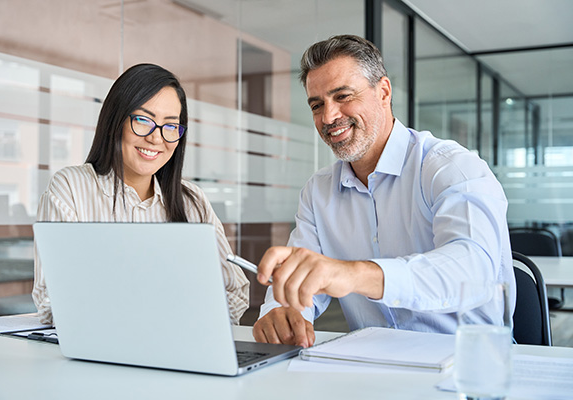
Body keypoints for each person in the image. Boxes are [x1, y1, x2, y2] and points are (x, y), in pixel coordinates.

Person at [252, 35, 515, 348]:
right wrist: (282, 311)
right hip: (372, 366)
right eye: (317, 105)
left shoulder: (450, 167)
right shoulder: (318, 191)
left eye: (343, 96)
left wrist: (353, 274)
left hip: (466, 368)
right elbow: (303, 279)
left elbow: (473, 272)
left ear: (384, 92)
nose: (328, 117)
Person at [32, 64, 249, 325]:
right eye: (143, 120)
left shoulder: (192, 201)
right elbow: (51, 300)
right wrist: (176, 302)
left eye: (170, 126)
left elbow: (234, 292)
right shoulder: (71, 188)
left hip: (183, 349)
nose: (156, 138)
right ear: (116, 121)